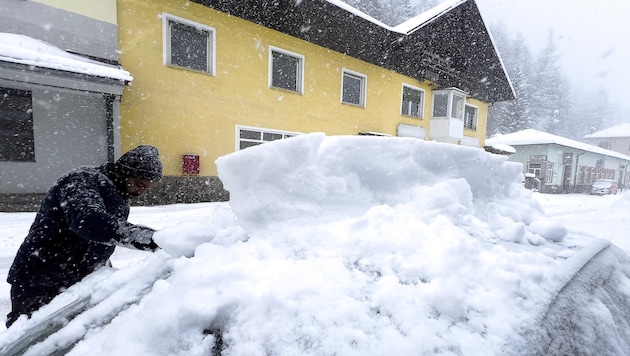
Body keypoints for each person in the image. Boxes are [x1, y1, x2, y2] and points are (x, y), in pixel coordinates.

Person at [5, 145, 164, 328]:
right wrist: (149, 239)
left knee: (64, 341)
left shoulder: (120, 197)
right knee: (28, 339)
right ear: (122, 173)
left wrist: (103, 263)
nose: (141, 192)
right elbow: (88, 221)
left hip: (77, 280)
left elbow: (102, 237)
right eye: (139, 184)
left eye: (147, 188)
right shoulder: (82, 181)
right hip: (41, 277)